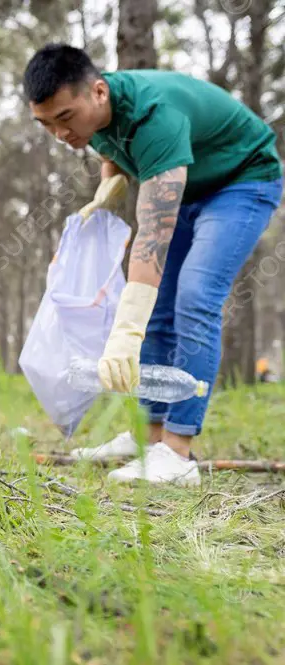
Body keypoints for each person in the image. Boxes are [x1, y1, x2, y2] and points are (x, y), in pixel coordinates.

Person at [24, 44, 283, 485]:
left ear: (98, 92)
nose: (59, 134)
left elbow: (153, 237)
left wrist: (125, 332)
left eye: (65, 118)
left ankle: (178, 453)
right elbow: (109, 145)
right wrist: (107, 186)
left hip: (241, 181)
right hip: (189, 184)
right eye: (46, 124)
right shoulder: (92, 119)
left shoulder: (154, 116)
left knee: (196, 296)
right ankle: (148, 436)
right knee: (159, 309)